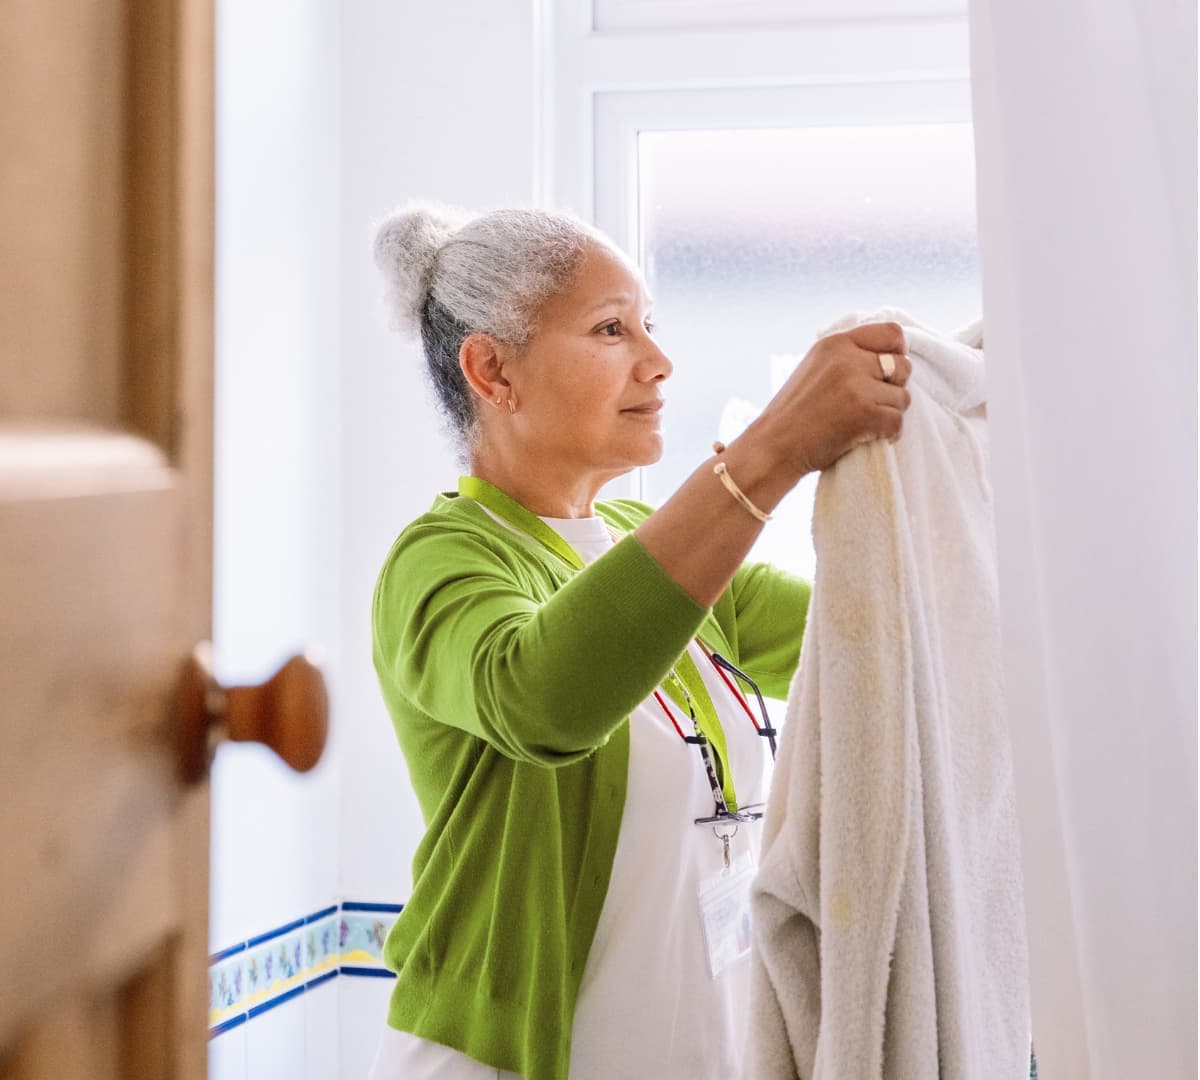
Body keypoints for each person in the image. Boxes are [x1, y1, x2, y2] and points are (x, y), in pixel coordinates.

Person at [366, 202, 912, 1080]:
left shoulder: (640, 538)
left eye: (650, 326)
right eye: (612, 329)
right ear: (492, 370)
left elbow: (871, 637)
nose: (658, 363)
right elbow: (547, 697)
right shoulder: (439, 563)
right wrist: (768, 454)